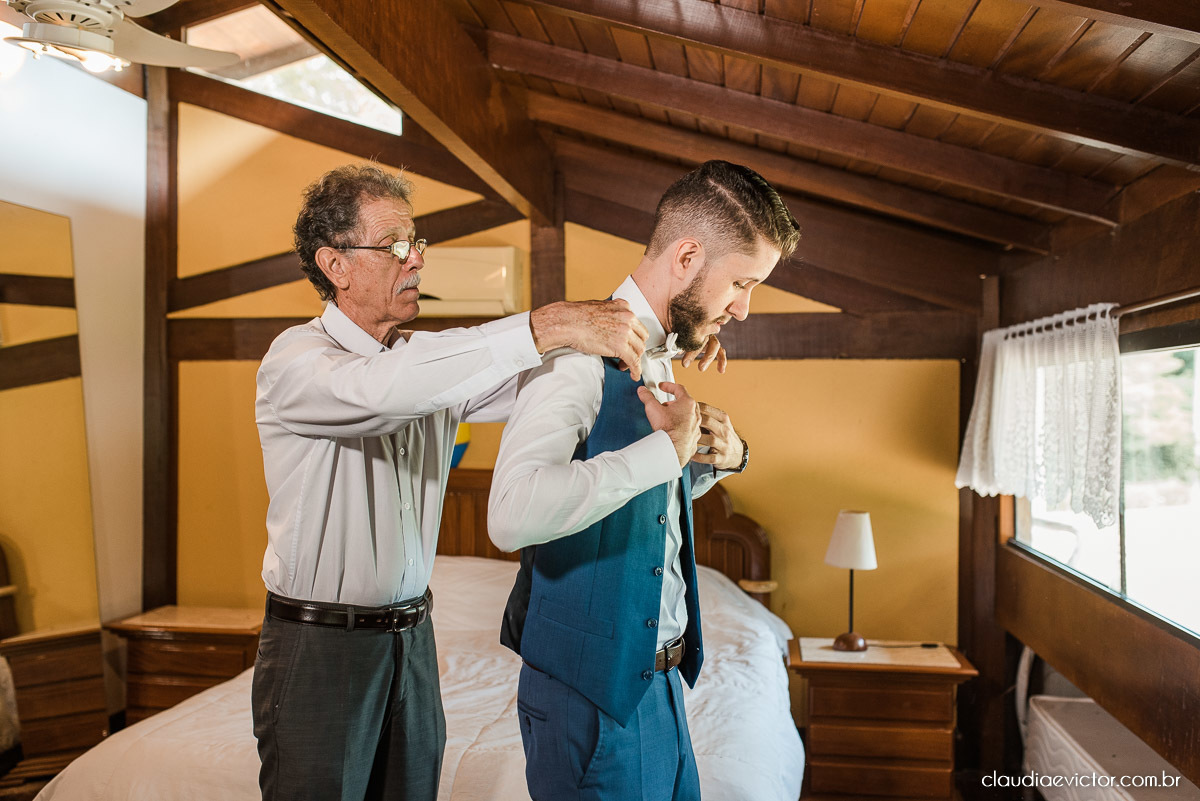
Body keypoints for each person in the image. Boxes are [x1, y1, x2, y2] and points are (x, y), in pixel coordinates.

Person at [250, 164, 724, 801]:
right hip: (318, 645)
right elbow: (388, 391)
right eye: (395, 245)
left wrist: (667, 339)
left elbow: (550, 375)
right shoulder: (298, 361)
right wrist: (551, 323)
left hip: (412, 641)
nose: (416, 259)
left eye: (417, 242)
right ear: (335, 264)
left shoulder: (427, 365)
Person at [488, 160, 801, 801]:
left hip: (659, 685)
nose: (744, 309)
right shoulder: (576, 358)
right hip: (587, 697)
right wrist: (664, 451)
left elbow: (638, 500)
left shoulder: (663, 352)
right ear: (687, 257)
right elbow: (511, 515)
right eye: (741, 283)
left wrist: (719, 458)